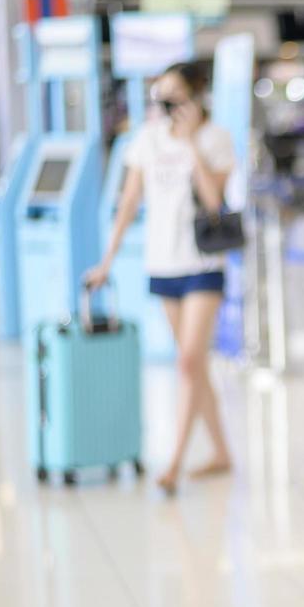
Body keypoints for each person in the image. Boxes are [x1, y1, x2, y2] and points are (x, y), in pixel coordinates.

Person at [87, 62, 237, 494]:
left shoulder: (216, 139)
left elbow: (215, 203)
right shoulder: (146, 140)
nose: (165, 106)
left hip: (203, 265)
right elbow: (130, 200)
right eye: (160, 98)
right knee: (194, 367)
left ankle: (173, 462)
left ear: (195, 98)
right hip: (162, 263)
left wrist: (191, 145)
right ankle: (222, 452)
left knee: (188, 361)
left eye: (174, 98)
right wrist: (107, 260)